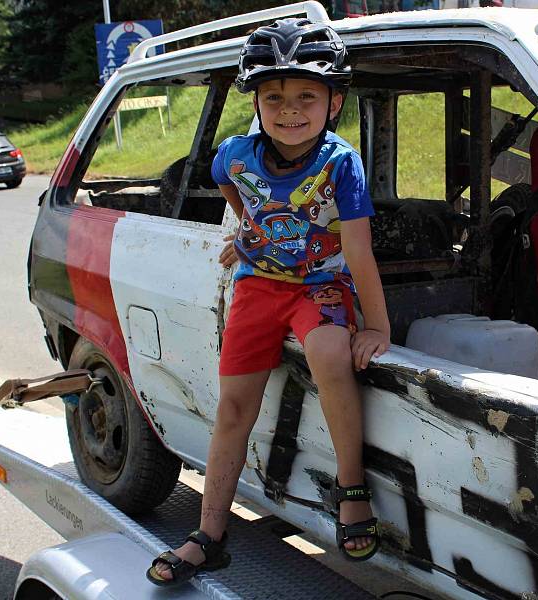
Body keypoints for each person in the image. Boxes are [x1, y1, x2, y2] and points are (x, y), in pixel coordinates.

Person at [147, 18, 390, 587]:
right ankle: (209, 533)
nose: (290, 109)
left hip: (319, 285)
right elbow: (229, 186)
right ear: (255, 101)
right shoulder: (235, 154)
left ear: (334, 103)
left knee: (332, 354)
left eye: (307, 94)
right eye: (274, 97)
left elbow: (358, 249)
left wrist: (377, 326)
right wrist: (247, 231)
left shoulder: (340, 162)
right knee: (233, 407)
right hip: (258, 287)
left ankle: (352, 490)